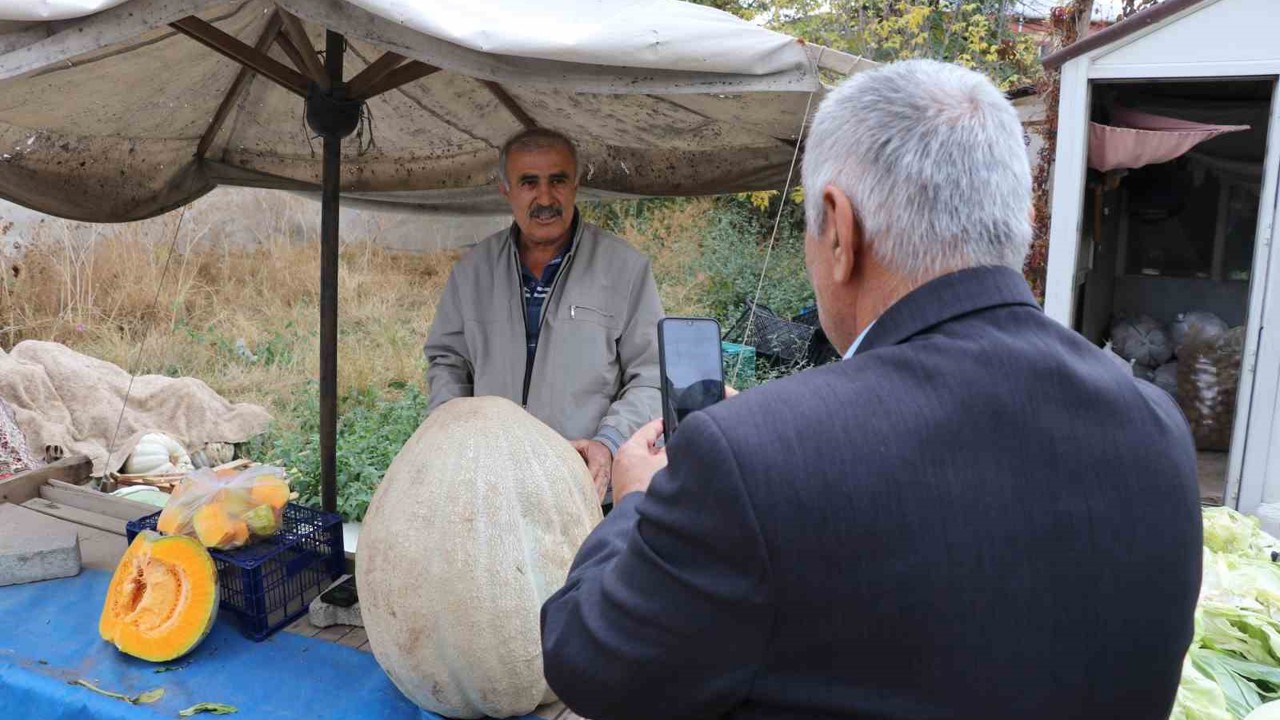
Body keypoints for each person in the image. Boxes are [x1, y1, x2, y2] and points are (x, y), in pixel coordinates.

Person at [541, 59, 1202, 720]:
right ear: (1020, 215)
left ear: (839, 228)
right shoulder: (1157, 426)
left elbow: (593, 664)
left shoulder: (753, 460)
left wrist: (635, 501)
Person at [424, 128, 663, 500]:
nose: (546, 197)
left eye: (558, 180)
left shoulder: (625, 269)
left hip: (583, 487)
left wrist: (608, 443)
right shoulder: (473, 271)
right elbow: (448, 361)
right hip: (493, 485)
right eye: (529, 182)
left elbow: (651, 376)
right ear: (506, 189)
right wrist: (454, 436)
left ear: (576, 184)